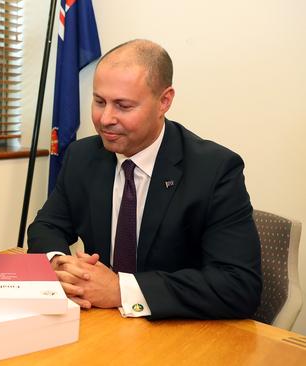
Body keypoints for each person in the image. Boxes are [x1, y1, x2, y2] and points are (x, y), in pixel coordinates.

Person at [27, 39, 262, 320]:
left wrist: (121, 290)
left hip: (177, 333)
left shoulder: (215, 169)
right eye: (99, 101)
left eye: (123, 106)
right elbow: (47, 225)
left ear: (164, 101)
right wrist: (58, 265)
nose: (105, 119)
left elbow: (239, 286)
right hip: (102, 325)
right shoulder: (82, 156)